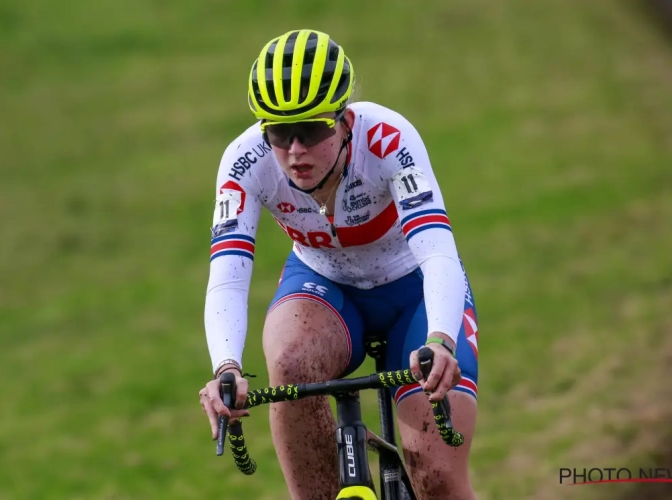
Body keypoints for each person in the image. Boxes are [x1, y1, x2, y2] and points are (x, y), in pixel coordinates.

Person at [199, 29, 479, 500]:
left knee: (438, 480)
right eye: (278, 132)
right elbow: (227, 277)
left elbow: (436, 251)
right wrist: (226, 365)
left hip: (412, 290)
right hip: (325, 288)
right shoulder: (244, 162)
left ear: (345, 120)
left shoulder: (390, 139)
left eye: (311, 130)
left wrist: (441, 339)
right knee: (288, 362)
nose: (294, 150)